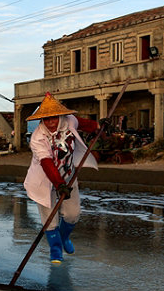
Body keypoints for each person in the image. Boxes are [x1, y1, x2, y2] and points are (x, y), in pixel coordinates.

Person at [23, 92, 107, 264]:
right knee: (50, 218)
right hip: (45, 180)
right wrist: (59, 184)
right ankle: (55, 249)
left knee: (72, 214)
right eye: (46, 119)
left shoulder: (69, 121)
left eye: (53, 118)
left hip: (68, 175)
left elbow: (83, 124)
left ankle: (64, 238)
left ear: (59, 116)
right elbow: (46, 163)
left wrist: (98, 126)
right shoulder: (38, 138)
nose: (50, 122)